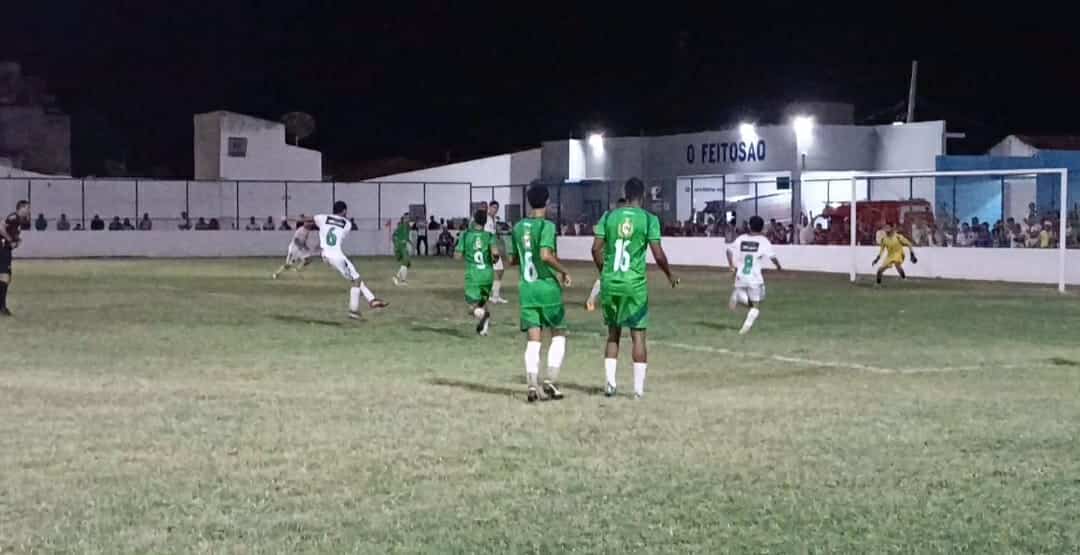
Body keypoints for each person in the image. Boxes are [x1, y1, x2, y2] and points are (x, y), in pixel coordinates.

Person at [591, 177, 678, 399]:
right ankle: (638, 391)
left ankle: (610, 385)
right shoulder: (649, 219)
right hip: (634, 284)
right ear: (644, 195)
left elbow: (595, 249)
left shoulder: (609, 216)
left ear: (624, 193)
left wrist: (605, 271)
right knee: (638, 336)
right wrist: (669, 275)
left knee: (613, 334)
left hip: (611, 282)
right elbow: (658, 255)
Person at [510, 185, 572, 402]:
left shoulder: (517, 227)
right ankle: (551, 381)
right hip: (547, 289)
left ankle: (531, 385)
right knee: (558, 334)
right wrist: (564, 270)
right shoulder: (547, 226)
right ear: (547, 202)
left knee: (533, 340)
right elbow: (545, 255)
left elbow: (514, 259)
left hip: (527, 289)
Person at [314, 201, 388, 319]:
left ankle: (372, 300)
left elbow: (309, 221)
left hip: (326, 254)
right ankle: (353, 311)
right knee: (356, 280)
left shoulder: (322, 217)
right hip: (336, 255)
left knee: (355, 277)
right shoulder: (347, 224)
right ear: (344, 211)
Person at [726, 216, 783, 335]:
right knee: (756, 306)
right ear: (762, 227)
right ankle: (745, 328)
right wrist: (778, 267)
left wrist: (731, 265)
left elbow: (729, 251)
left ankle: (738, 296)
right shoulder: (763, 241)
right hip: (754, 277)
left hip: (741, 275)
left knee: (756, 301)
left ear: (749, 226)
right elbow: (772, 257)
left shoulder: (741, 238)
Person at [454, 209, 500, 336]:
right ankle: (484, 330)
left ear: (474, 220)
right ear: (485, 222)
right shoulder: (489, 236)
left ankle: (484, 315)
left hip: (473, 275)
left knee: (472, 308)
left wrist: (463, 253)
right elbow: (496, 255)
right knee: (482, 302)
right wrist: (492, 260)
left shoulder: (466, 235)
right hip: (487, 275)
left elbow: (457, 256)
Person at [586, 197, 625, 311]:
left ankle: (594, 300)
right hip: (611, 254)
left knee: (611, 277)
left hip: (619, 253)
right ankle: (591, 300)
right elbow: (599, 236)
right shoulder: (609, 217)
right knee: (605, 277)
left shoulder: (614, 217)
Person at [0, 200, 31, 316]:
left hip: (5, 250)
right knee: (5, 276)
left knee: (5, 277)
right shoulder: (14, 217)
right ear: (21, 208)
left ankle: (2, 306)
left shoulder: (19, 221)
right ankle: (2, 307)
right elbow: (1, 227)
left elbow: (13, 235)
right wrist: (9, 240)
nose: (29, 211)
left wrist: (17, 241)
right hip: (2, 249)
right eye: (27, 208)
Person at [486, 201, 508, 304]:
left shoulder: (493, 220)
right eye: (493, 207)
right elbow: (487, 235)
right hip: (490, 249)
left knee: (499, 270)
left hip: (493, 248)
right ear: (489, 207)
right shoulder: (486, 219)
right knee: (498, 270)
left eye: (497, 208)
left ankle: (495, 295)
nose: (495, 209)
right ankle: (493, 296)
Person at [392, 214, 412, 286]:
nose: (408, 219)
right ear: (403, 219)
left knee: (407, 263)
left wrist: (409, 242)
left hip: (402, 246)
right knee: (406, 262)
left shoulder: (407, 227)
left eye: (408, 218)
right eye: (406, 218)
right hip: (401, 246)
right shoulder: (402, 226)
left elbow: (405, 237)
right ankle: (402, 281)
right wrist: (397, 244)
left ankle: (397, 277)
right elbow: (394, 236)